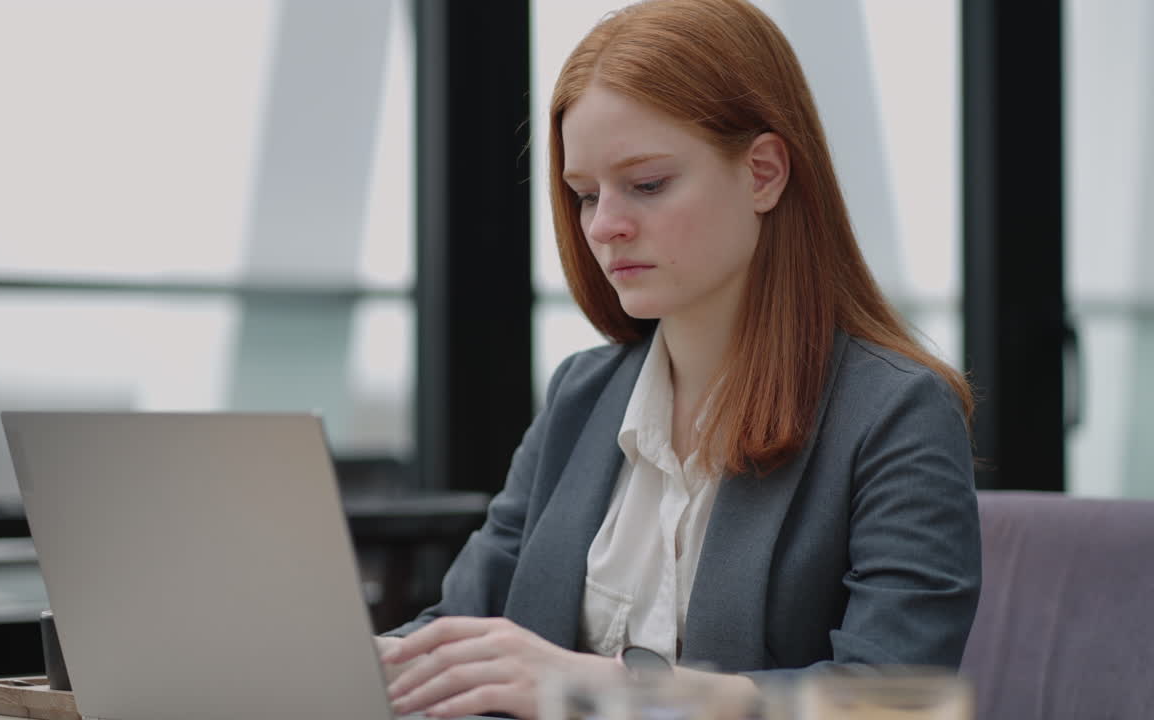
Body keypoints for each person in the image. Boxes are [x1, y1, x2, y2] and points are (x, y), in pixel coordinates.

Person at [377, 0, 981, 717]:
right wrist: (349, 666)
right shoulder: (583, 396)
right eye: (584, 195)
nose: (605, 226)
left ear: (763, 173)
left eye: (648, 185)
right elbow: (459, 631)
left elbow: (892, 700)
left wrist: (599, 689)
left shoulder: (894, 414)